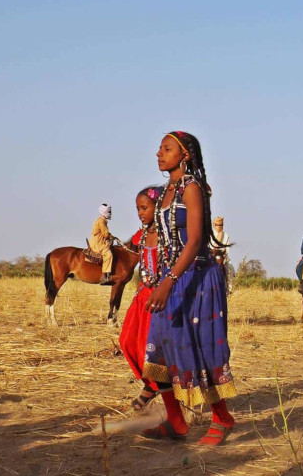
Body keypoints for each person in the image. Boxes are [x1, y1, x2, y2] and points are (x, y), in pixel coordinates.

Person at [142, 131, 236, 446]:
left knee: (199, 348)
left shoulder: (192, 188)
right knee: (159, 349)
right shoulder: (163, 191)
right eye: (158, 148)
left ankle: (222, 419)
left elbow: (195, 241)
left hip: (196, 279)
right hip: (170, 280)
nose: (159, 153)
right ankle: (176, 421)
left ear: (184, 155)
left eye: (166, 149)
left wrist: (168, 281)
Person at [119, 185, 163, 412]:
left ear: (158, 208)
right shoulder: (141, 235)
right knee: (127, 341)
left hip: (160, 300)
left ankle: (154, 388)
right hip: (142, 298)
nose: (140, 213)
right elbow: (130, 253)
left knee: (152, 349)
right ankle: (150, 384)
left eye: (144, 208)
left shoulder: (168, 236)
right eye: (137, 209)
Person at [90, 203, 114, 285]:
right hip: (98, 242)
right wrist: (111, 237)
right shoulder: (101, 221)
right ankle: (104, 276)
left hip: (99, 240)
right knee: (108, 254)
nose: (110, 213)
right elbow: (106, 234)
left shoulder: (101, 220)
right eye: (109, 211)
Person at [210, 216, 234, 293]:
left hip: (222, 257)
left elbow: (226, 250)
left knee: (230, 269)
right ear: (214, 225)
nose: (219, 227)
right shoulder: (209, 234)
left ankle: (229, 289)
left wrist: (221, 254)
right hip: (210, 257)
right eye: (218, 225)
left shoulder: (226, 235)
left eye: (221, 225)